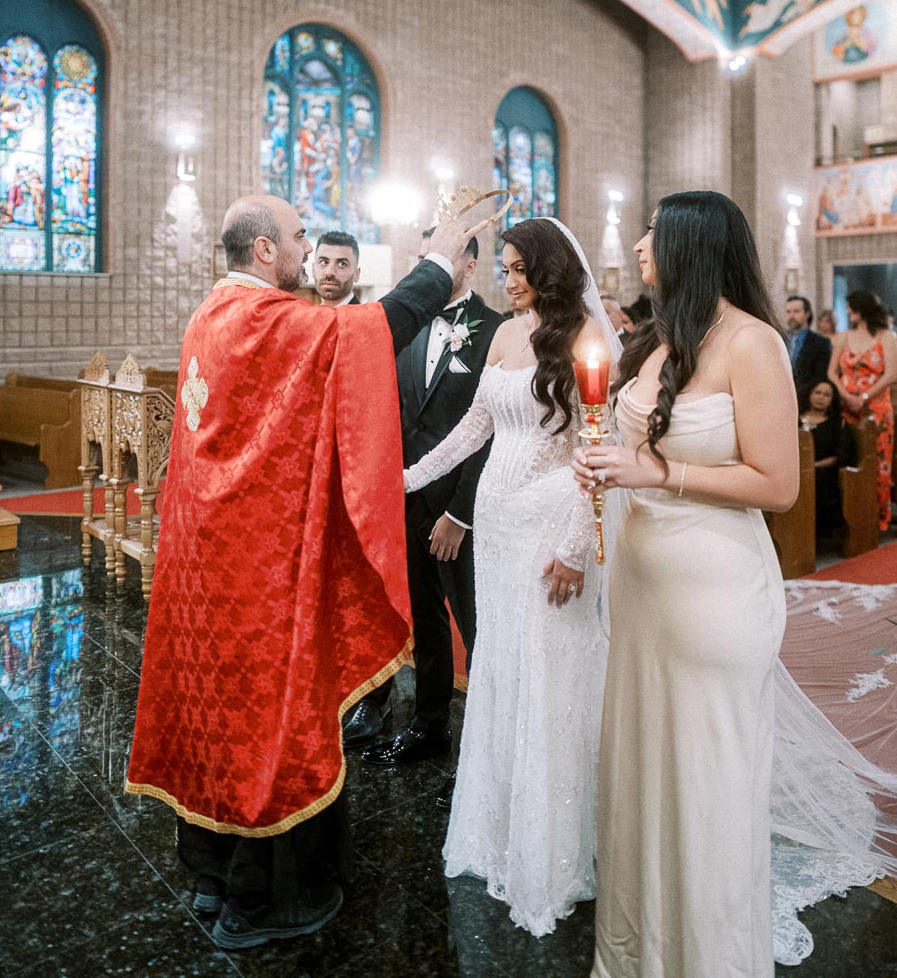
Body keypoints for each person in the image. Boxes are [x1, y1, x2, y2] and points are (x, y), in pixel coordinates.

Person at [125, 193, 488, 952]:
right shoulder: (262, 317)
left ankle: (213, 872)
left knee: (218, 718)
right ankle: (265, 900)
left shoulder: (209, 315)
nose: (302, 249)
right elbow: (368, 333)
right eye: (295, 238)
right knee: (269, 718)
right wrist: (439, 257)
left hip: (208, 562)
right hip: (255, 571)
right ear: (265, 252)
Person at [576, 190, 798, 977]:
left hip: (713, 598)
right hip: (643, 599)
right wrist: (601, 464)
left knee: (705, 791)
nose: (639, 245)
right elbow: (629, 446)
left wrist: (654, 470)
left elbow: (778, 486)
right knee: (644, 780)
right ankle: (642, 956)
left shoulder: (753, 343)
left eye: (653, 233)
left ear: (692, 246)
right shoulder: (660, 340)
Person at [403, 218, 622, 937]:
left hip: (549, 530)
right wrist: (405, 479)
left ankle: (554, 854)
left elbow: (599, 452)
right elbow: (474, 427)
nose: (510, 278)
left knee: (548, 679)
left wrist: (575, 548)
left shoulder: (585, 340)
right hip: (494, 534)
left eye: (522, 267)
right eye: (504, 266)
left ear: (552, 269)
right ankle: (498, 833)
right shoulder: (502, 333)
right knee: (499, 670)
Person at [361, 230, 502, 796]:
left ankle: (486, 755)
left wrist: (461, 512)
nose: (432, 267)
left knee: (478, 627)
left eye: (442, 258)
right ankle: (429, 724)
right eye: (425, 259)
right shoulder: (408, 328)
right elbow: (397, 413)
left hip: (462, 510)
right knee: (425, 621)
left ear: (469, 264)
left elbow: (494, 431)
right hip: (408, 497)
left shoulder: (495, 332)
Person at [828, 289, 897, 533]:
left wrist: (865, 396)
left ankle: (879, 518)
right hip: (848, 407)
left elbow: (891, 374)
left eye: (850, 307)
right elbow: (831, 373)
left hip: (876, 407)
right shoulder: (843, 337)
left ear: (862, 309)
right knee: (850, 460)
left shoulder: (885, 336)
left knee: (879, 462)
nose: (847, 311)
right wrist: (846, 395)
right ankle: (852, 517)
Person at [798, 379, 854, 539]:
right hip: (794, 469)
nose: (821, 397)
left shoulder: (838, 423)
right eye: (818, 392)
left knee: (816, 481)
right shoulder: (794, 417)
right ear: (810, 394)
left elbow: (841, 456)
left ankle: (812, 534)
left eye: (826, 394)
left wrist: (813, 466)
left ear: (832, 400)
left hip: (823, 472)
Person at [785, 294, 831, 389]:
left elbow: (820, 377)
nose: (791, 316)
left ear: (807, 314)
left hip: (806, 396)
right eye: (788, 312)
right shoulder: (780, 338)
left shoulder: (821, 343)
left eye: (796, 311)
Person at [313, 230, 361, 306]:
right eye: (323, 262)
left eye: (342, 264)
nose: (329, 272)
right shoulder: (308, 316)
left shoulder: (366, 317)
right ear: (313, 269)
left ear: (356, 274)